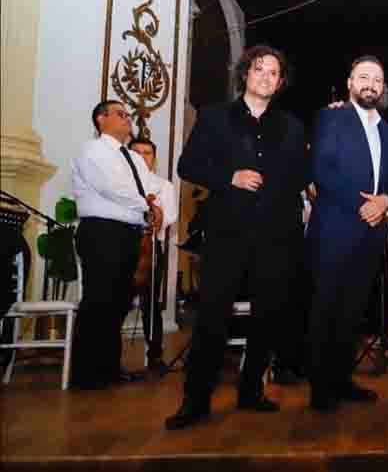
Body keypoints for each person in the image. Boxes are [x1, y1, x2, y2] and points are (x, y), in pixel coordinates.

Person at [166, 45, 308, 430]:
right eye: (259, 69)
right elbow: (187, 165)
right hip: (227, 235)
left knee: (266, 320)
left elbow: (300, 177)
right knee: (213, 318)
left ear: (280, 82)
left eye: (273, 72)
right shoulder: (215, 119)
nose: (265, 77)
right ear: (245, 74)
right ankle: (195, 401)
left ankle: (251, 391)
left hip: (275, 239)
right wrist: (229, 177)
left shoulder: (292, 128)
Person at [305, 55, 388, 413]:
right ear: (349, 83)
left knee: (353, 311)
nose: (371, 85)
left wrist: (386, 200)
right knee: (326, 307)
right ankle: (320, 388)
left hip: (372, 232)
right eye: (364, 77)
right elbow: (321, 169)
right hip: (335, 228)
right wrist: (363, 205)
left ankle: (343, 380)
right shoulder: (331, 117)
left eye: (377, 80)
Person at [70, 100, 163, 390]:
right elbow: (111, 187)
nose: (127, 119)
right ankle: (86, 374)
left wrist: (153, 203)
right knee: (99, 300)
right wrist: (147, 205)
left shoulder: (133, 157)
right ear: (101, 119)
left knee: (119, 302)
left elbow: (149, 186)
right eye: (121, 114)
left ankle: (109, 368)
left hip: (129, 234)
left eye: (127, 115)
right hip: (101, 232)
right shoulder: (93, 150)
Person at [128, 138, 177, 372]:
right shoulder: (121, 182)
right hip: (122, 247)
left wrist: (153, 217)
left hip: (151, 248)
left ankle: (155, 354)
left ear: (153, 158)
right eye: (136, 152)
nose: (141, 156)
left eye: (147, 153)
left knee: (151, 303)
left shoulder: (163, 185)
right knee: (116, 301)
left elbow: (169, 218)